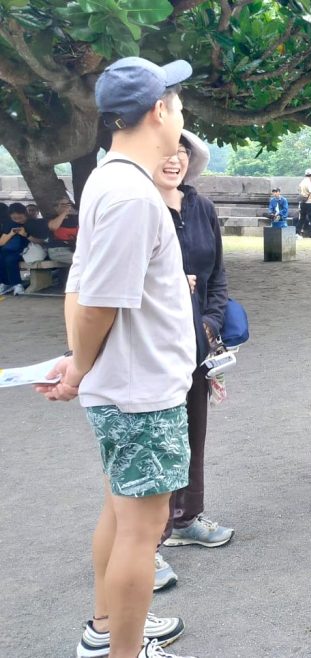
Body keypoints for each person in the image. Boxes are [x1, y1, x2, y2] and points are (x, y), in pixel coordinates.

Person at [34, 56, 197, 658]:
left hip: (121, 381)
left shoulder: (107, 179)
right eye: (177, 103)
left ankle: (107, 629)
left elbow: (81, 285)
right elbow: (99, 302)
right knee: (143, 529)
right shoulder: (132, 193)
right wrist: (78, 365)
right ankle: (121, 651)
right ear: (158, 110)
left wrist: (80, 360)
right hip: (139, 389)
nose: (181, 114)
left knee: (120, 512)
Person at [152, 130, 234, 585]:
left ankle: (185, 519)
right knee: (157, 441)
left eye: (181, 153)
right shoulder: (142, 207)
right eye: (165, 152)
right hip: (153, 345)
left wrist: (211, 322)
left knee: (191, 432)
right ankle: (149, 539)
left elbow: (217, 275)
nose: (174, 160)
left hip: (197, 342)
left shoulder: (201, 208)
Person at [0, 202, 29, 295]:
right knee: (2, 257)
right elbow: (1, 242)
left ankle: (17, 284)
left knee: (10, 259)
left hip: (26, 251)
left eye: (19, 215)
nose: (16, 218)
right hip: (11, 250)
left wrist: (25, 234)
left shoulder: (31, 222)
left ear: (25, 213)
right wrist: (11, 233)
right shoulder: (9, 224)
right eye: (13, 216)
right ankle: (5, 283)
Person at [297, 168, 311, 238]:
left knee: (302, 218)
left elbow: (299, 190)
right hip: (309, 202)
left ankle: (297, 233)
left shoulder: (302, 182)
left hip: (302, 202)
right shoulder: (310, 183)